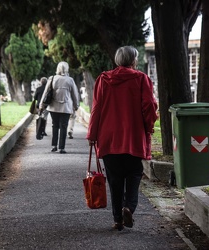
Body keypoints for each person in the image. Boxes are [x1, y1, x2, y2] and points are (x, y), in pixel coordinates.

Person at [86, 46, 158, 231]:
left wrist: (92, 135)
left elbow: (97, 108)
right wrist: (149, 126)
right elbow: (149, 105)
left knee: (114, 179)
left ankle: (118, 219)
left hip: (109, 138)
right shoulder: (141, 79)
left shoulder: (103, 79)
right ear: (133, 60)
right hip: (133, 136)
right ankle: (129, 207)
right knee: (134, 174)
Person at [40, 61, 79, 154]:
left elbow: (45, 92)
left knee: (55, 126)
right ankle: (62, 147)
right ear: (67, 69)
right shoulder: (70, 80)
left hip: (54, 107)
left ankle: (54, 146)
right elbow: (75, 94)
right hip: (66, 107)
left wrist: (42, 104)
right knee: (64, 127)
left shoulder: (52, 78)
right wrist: (76, 105)